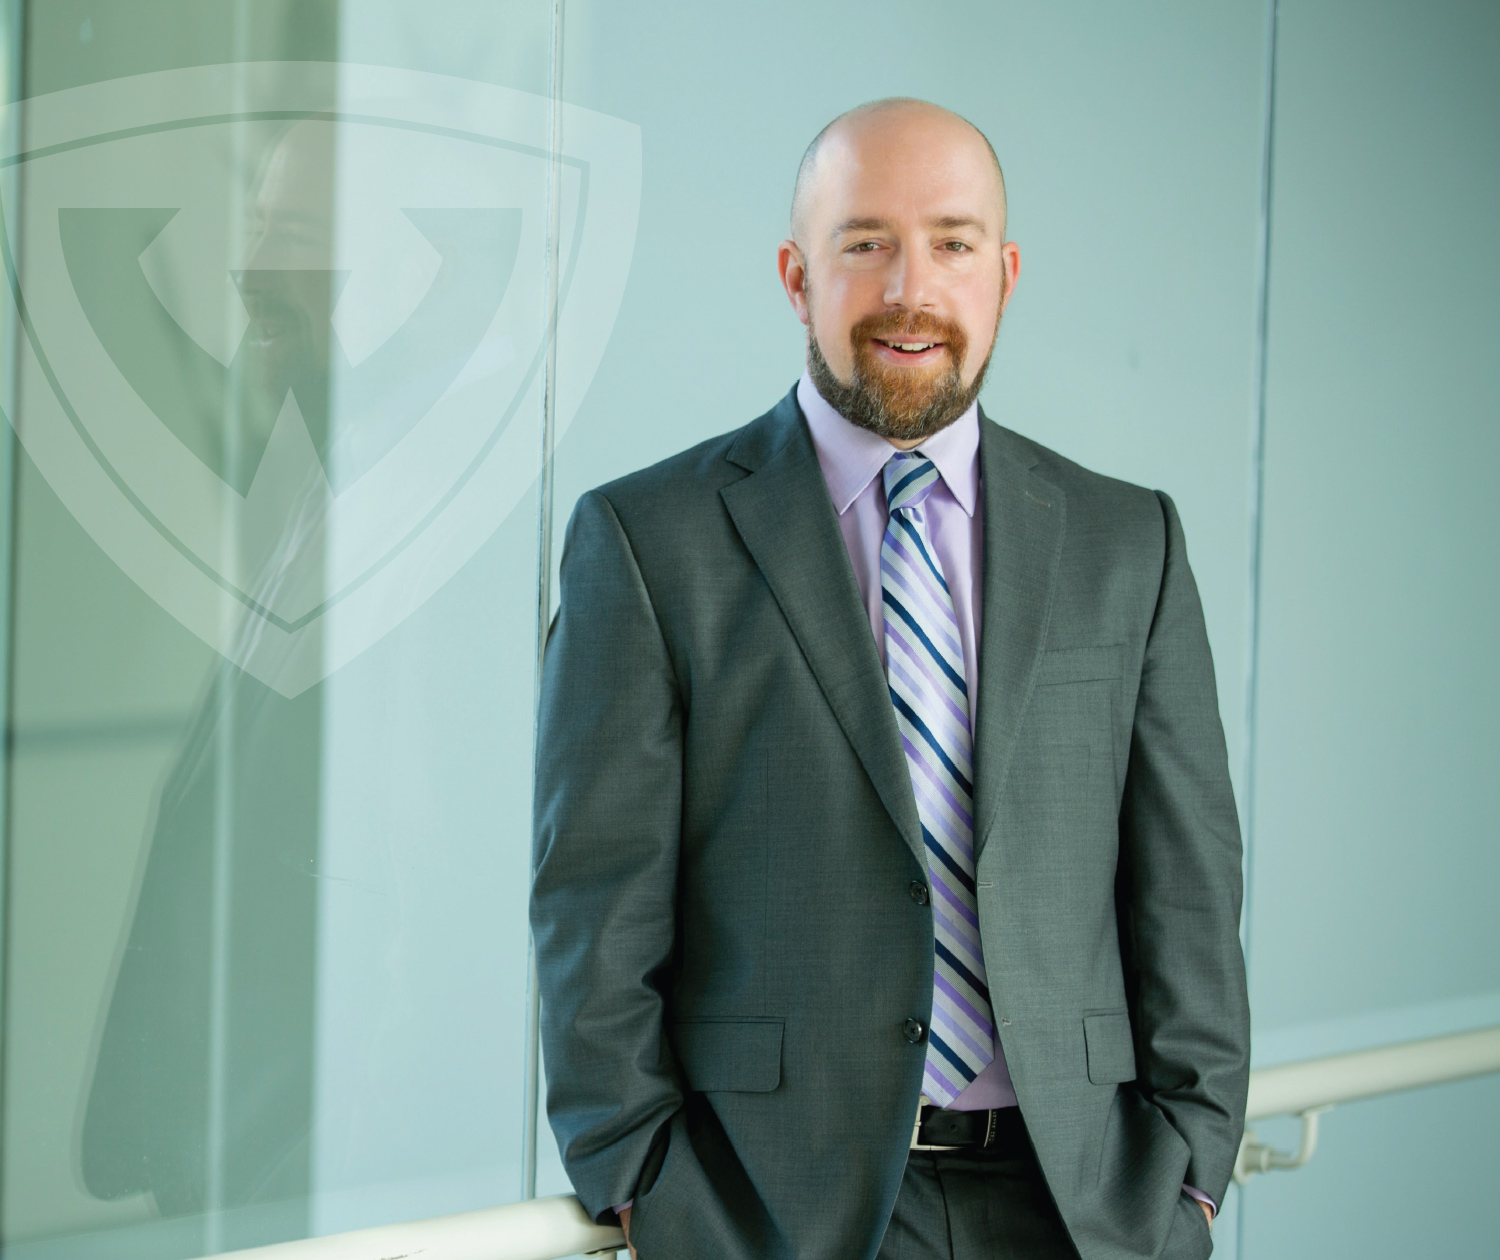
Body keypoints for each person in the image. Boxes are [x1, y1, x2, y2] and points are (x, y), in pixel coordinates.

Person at [530, 97, 1250, 1260]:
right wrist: (640, 1179)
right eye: (865, 243)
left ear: (1004, 275)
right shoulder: (648, 541)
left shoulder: (1130, 543)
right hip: (777, 1213)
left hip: (1085, 1209)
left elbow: (1190, 889)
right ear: (795, 275)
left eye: (954, 243)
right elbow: (592, 903)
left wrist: (1194, 1165)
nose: (911, 288)